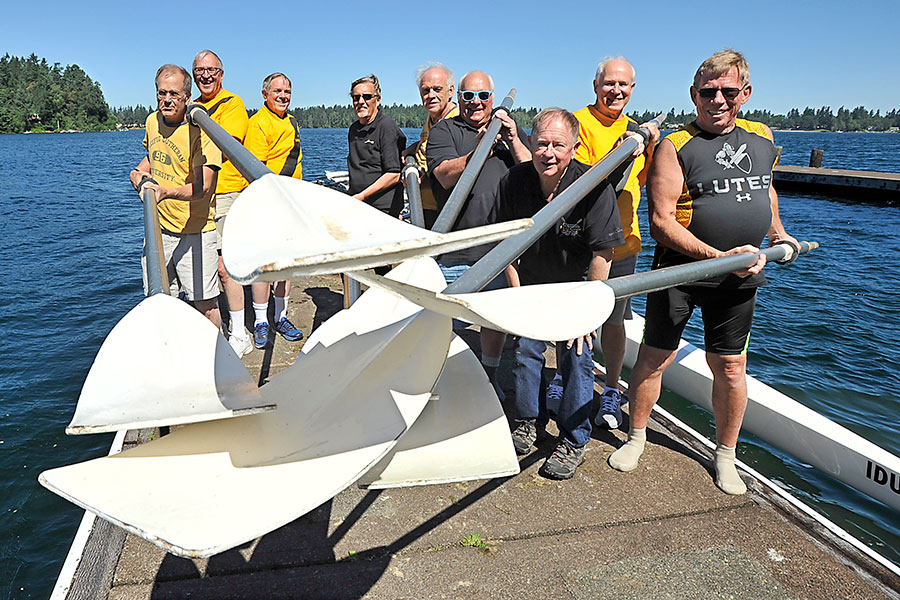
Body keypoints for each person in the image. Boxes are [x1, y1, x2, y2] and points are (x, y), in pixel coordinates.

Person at [608, 49, 798, 495]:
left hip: (740, 273)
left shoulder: (762, 137)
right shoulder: (677, 146)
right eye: (707, 91)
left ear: (744, 94)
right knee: (656, 357)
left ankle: (726, 455)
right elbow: (661, 220)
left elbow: (763, 192)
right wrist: (715, 256)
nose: (716, 99)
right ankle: (636, 436)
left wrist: (779, 235)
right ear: (693, 95)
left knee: (730, 367)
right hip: (679, 273)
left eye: (727, 91)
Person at [498, 108, 623, 479]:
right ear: (530, 143)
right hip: (532, 282)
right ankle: (526, 421)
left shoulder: (593, 186)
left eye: (557, 145)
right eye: (541, 144)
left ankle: (573, 439)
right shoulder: (515, 181)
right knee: (525, 352)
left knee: (577, 358)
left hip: (576, 287)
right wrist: (517, 296)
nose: (548, 153)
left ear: (574, 148)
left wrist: (588, 310)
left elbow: (604, 252)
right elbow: (506, 243)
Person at [426, 70, 531, 390]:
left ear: (492, 97)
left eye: (483, 96)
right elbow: (444, 175)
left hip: (499, 248)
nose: (475, 102)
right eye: (468, 96)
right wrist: (481, 149)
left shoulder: (509, 131)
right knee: (444, 320)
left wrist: (512, 139)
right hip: (456, 246)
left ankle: (488, 376)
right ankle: (437, 377)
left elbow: (534, 173)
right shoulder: (445, 130)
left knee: (492, 319)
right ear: (458, 98)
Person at [569, 57, 659, 429]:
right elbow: (577, 183)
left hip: (624, 242)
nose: (616, 91)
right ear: (595, 85)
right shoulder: (578, 124)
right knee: (575, 318)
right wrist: (620, 152)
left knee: (616, 320)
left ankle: (609, 386)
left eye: (623, 85)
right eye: (609, 84)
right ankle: (566, 377)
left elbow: (653, 183)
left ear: (633, 90)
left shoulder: (640, 133)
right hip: (581, 242)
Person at [129, 64, 222, 327]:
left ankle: (218, 356)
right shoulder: (152, 121)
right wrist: (137, 174)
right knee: (158, 299)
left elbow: (205, 187)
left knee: (205, 305)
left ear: (187, 97)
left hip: (196, 231)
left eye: (173, 94)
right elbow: (154, 156)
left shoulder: (202, 131)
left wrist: (166, 192)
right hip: (159, 230)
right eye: (161, 93)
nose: (166, 100)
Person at [192, 49, 253, 357]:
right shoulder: (192, 107)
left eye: (211, 70)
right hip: (199, 194)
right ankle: (211, 326)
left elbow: (225, 146)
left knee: (224, 266)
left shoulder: (232, 104)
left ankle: (240, 332)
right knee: (201, 265)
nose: (205, 75)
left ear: (221, 74)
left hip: (226, 192)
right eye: (199, 70)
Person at [242, 72, 305, 349]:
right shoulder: (258, 124)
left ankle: (280, 316)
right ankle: (260, 321)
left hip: (291, 203)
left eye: (287, 91)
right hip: (268, 204)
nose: (283, 96)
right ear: (265, 94)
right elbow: (256, 171)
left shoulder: (291, 122)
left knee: (286, 265)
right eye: (277, 91)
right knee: (265, 266)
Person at [403, 62, 459, 229]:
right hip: (421, 206)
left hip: (443, 212)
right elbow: (428, 144)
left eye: (437, 89)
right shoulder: (433, 117)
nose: (431, 95)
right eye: (425, 90)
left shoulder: (456, 122)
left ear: (451, 91)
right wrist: (411, 150)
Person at [347, 74, 406, 218]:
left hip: (382, 208)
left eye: (367, 97)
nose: (361, 101)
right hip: (358, 203)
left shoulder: (386, 127)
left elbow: (394, 174)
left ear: (377, 100)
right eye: (356, 97)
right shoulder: (353, 129)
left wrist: (362, 196)